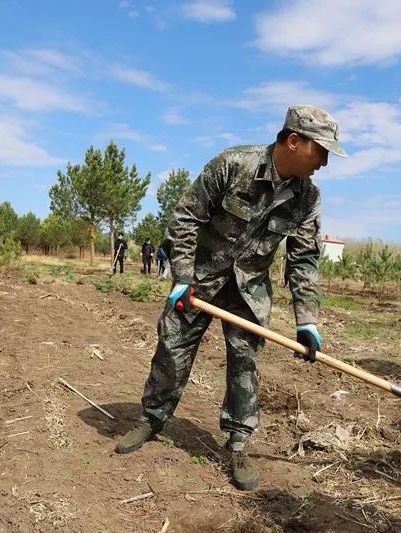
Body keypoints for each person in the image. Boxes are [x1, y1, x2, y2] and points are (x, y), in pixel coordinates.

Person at [114, 105, 347, 491]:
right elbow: (186, 217)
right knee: (172, 348)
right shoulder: (233, 165)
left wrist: (307, 319)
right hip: (200, 280)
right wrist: (183, 278)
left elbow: (303, 257)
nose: (324, 162)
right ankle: (152, 419)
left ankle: (238, 442)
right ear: (293, 141)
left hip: (249, 288)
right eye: (321, 151)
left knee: (245, 364)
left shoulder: (307, 198)